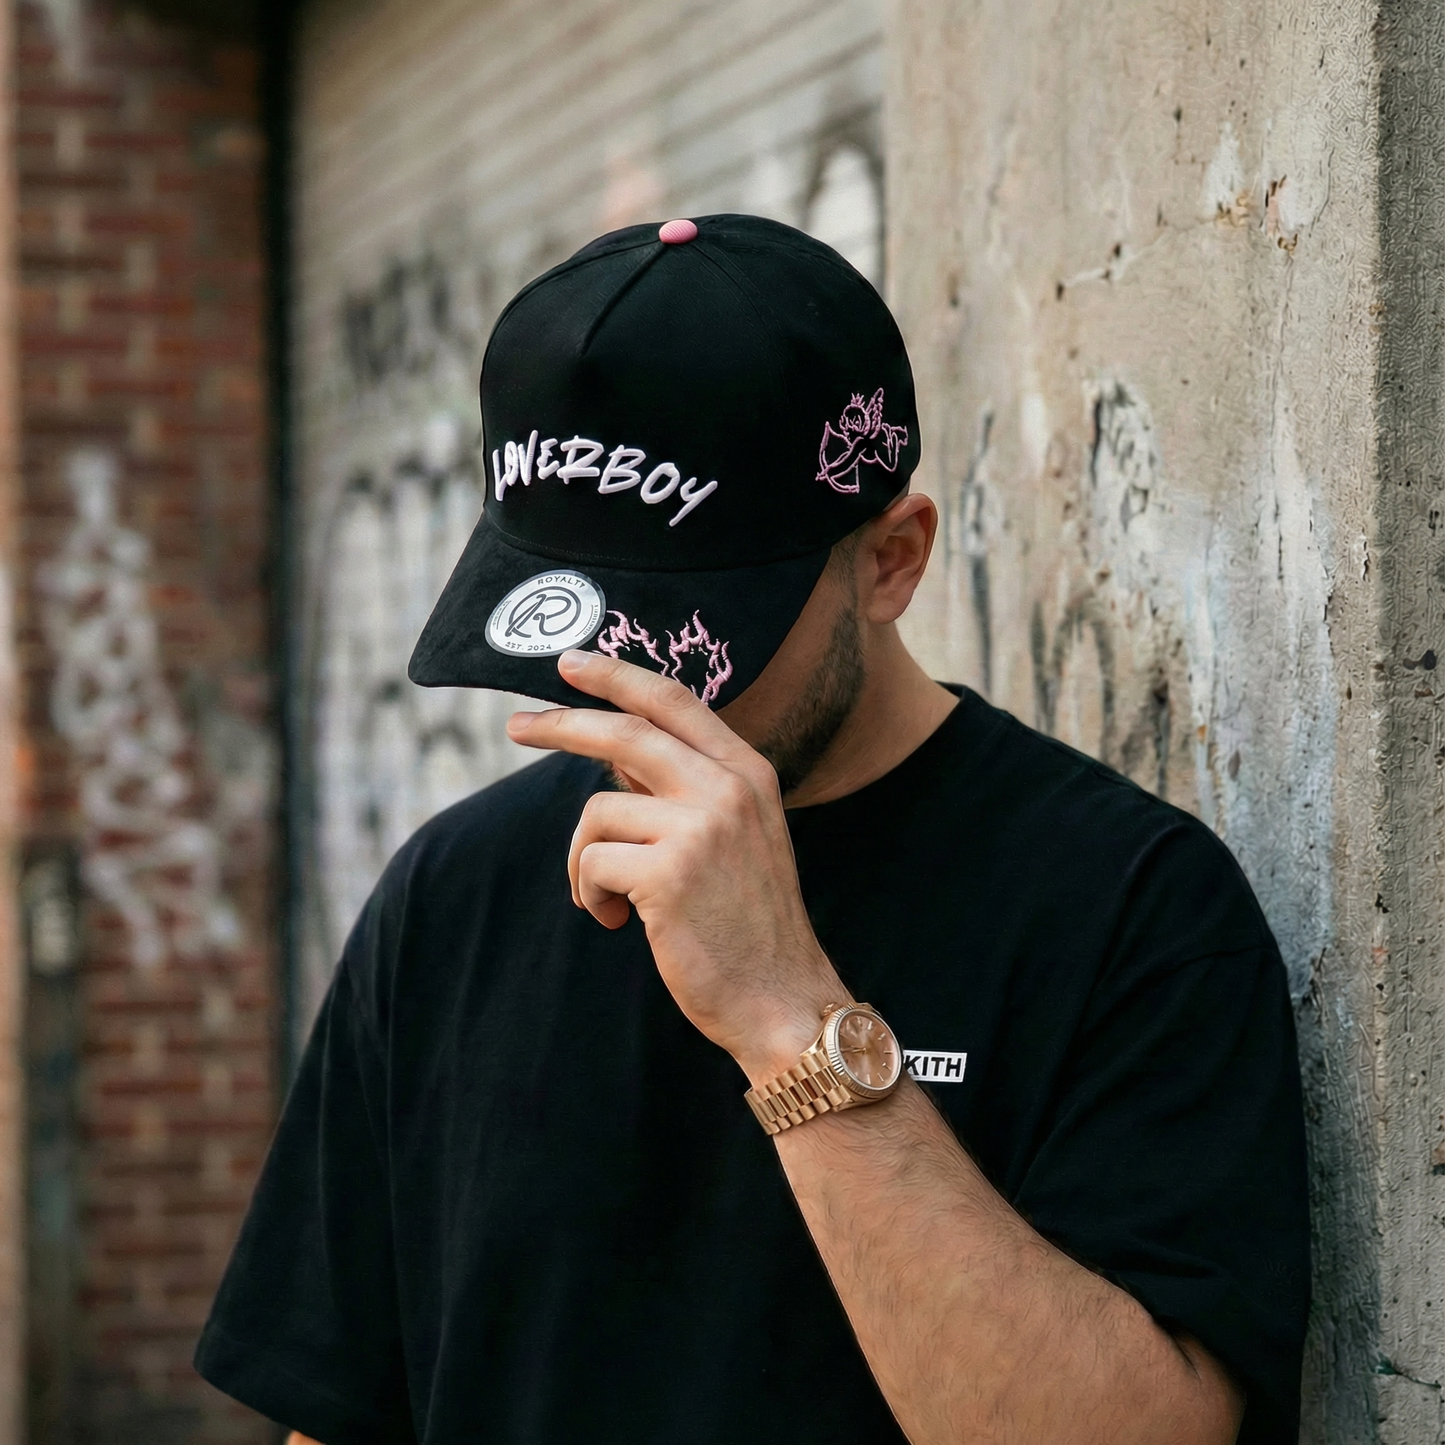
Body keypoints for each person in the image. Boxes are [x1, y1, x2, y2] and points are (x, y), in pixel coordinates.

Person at [196, 215, 1309, 1445]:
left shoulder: (1127, 904)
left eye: (688, 630)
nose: (617, 681)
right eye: (574, 621)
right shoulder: (450, 895)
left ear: (890, 560)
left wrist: (789, 1015)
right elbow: (344, 1406)